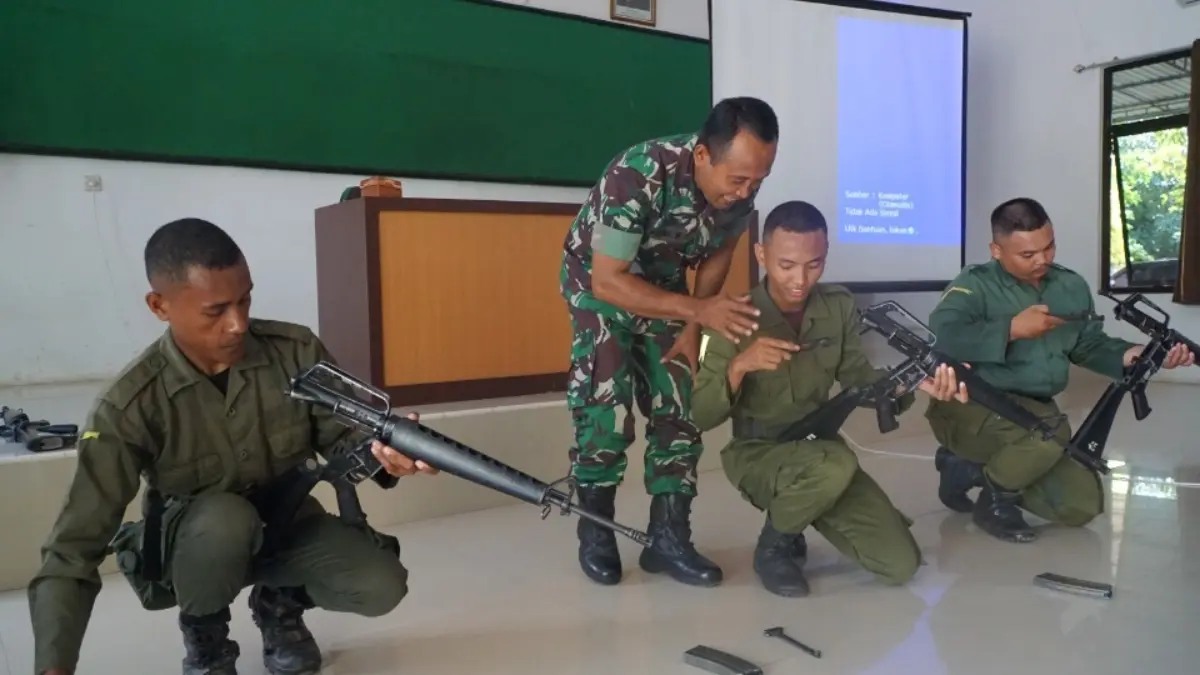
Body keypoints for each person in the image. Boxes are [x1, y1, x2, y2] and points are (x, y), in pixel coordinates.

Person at [28, 218, 438, 675]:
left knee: (380, 584)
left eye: (245, 300)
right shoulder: (129, 405)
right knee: (225, 519)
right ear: (159, 305)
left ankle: (279, 604)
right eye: (215, 310)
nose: (238, 323)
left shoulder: (295, 350)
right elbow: (73, 546)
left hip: (286, 525)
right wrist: (53, 665)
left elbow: (341, 434)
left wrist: (384, 453)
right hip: (197, 549)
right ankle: (206, 638)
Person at [691, 201, 969, 596]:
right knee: (835, 463)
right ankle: (774, 547)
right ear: (761, 254)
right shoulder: (734, 318)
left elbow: (858, 377)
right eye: (786, 265)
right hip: (759, 452)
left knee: (899, 564)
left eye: (814, 264)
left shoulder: (837, 306)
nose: (800, 280)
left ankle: (803, 508)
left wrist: (909, 384)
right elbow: (700, 415)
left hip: (817, 450)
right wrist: (739, 367)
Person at [559, 96, 780, 588]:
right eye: (738, 179)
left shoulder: (739, 192)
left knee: (678, 399)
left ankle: (668, 538)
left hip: (665, 286)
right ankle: (596, 531)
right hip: (600, 285)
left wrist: (694, 325)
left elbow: (719, 254)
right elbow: (609, 283)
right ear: (703, 156)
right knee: (606, 403)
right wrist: (699, 310)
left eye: (758, 182)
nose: (745, 192)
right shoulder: (636, 175)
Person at [925, 197, 1194, 544]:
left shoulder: (1070, 286)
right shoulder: (973, 285)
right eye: (1027, 255)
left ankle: (967, 466)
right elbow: (939, 338)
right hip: (972, 406)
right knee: (1051, 434)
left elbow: (1087, 346)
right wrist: (1011, 329)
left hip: (1032, 413)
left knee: (1081, 506)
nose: (1043, 260)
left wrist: (1135, 354)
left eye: (1049, 247)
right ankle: (994, 500)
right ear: (996, 250)